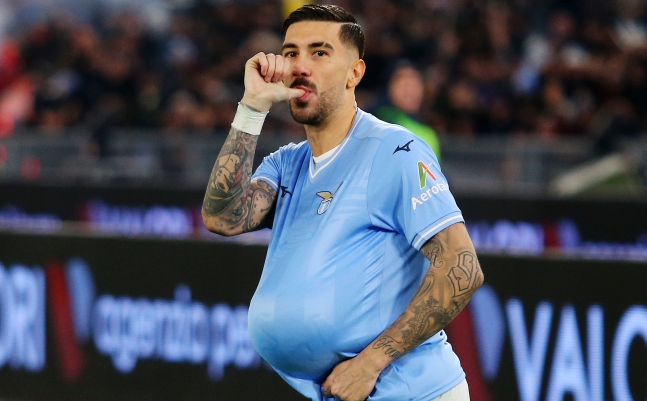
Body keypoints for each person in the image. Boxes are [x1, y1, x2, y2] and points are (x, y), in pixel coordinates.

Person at [202, 5, 483, 401]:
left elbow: (462, 267)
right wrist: (252, 109)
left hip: (413, 393)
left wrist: (370, 363)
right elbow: (222, 217)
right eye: (291, 53)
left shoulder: (395, 151)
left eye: (319, 53)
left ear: (355, 72)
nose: (300, 66)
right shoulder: (287, 164)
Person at [372, 61, 441, 160]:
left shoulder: (429, 134)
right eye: (403, 84)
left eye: (414, 85)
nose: (409, 91)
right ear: (388, 87)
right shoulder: (377, 121)